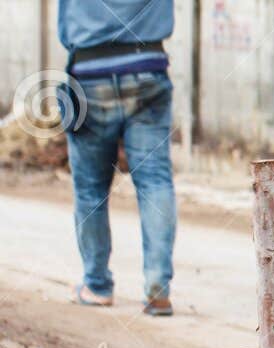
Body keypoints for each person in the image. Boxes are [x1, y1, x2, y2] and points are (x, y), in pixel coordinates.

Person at [57, 0, 177, 315]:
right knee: (155, 181)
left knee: (90, 189)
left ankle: (96, 285)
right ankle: (157, 289)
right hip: (148, 66)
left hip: (90, 72)